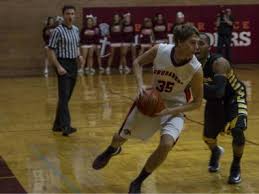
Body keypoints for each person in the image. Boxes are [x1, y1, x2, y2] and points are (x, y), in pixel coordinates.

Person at [92, 23, 203, 193]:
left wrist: (169, 111)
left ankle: (138, 181)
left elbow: (197, 103)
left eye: (198, 43)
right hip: (152, 99)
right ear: (179, 42)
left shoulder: (195, 68)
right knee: (119, 138)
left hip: (175, 108)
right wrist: (140, 85)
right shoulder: (161, 50)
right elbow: (137, 63)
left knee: (166, 145)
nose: (196, 47)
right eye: (192, 43)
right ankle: (112, 150)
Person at [196, 33, 248, 184]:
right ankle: (216, 151)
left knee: (237, 130)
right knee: (208, 138)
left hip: (234, 97)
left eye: (201, 43)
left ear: (209, 47)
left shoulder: (219, 63)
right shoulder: (192, 64)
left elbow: (219, 92)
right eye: (195, 44)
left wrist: (194, 86)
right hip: (214, 101)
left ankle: (236, 166)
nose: (197, 47)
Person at [48, 5, 84, 136]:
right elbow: (50, 50)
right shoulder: (57, 31)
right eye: (68, 13)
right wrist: (58, 66)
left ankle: (57, 125)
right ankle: (66, 126)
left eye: (72, 14)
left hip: (73, 64)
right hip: (62, 63)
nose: (70, 16)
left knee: (66, 97)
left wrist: (79, 55)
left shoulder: (75, 29)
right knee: (63, 96)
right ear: (63, 15)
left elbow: (77, 45)